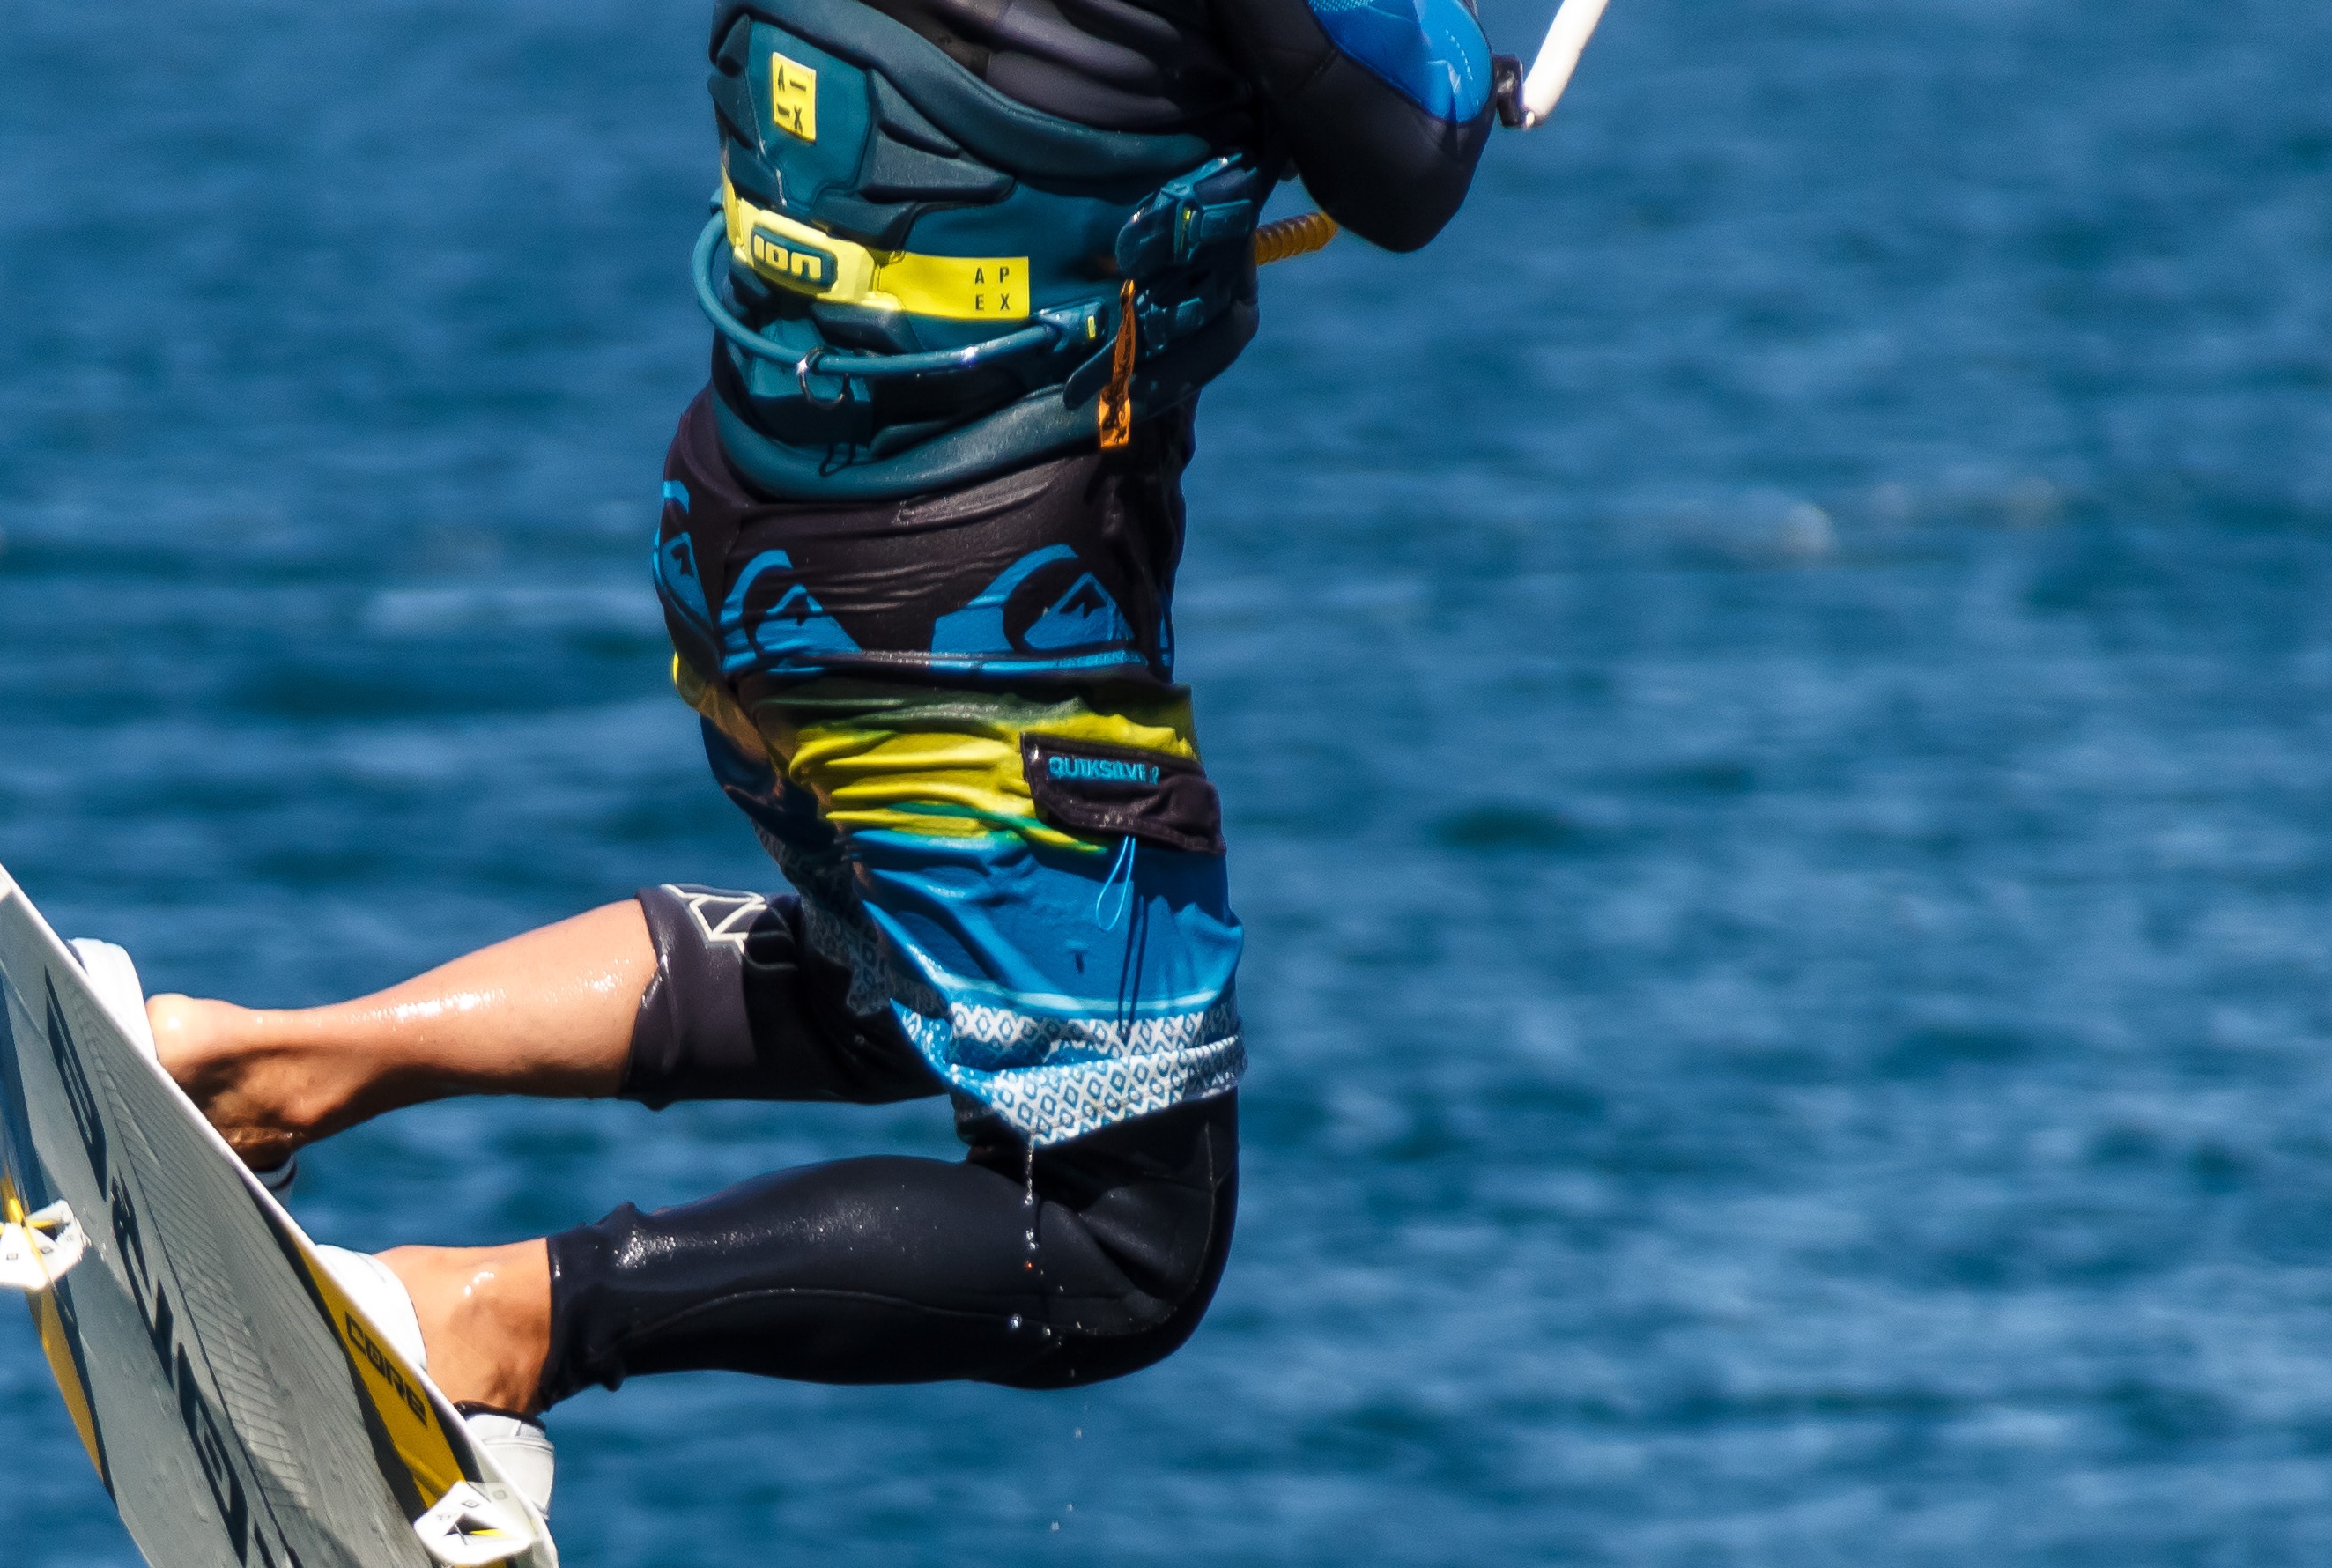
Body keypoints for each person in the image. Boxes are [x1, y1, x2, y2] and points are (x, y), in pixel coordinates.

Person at [147, 0, 1494, 1482]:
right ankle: (489, 1322)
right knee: (1121, 1247)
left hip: (748, 544)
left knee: (903, 990)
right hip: (965, 636)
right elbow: (1412, 160)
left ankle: (262, 1069)